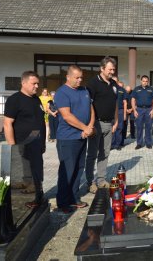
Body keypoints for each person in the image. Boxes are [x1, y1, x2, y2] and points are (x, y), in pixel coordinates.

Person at [54, 65, 95, 213]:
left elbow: (91, 110)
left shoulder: (84, 90)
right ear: (68, 77)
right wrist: (85, 128)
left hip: (83, 135)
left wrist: (89, 127)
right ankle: (63, 202)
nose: (79, 80)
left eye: (81, 77)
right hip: (68, 138)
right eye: (76, 78)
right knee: (68, 170)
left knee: (79, 168)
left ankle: (73, 197)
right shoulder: (62, 93)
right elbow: (66, 116)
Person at [3, 71, 46, 208]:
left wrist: (43, 142)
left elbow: (40, 121)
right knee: (27, 176)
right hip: (23, 144)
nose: (37, 86)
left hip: (36, 143)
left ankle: (38, 198)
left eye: (38, 83)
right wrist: (12, 147)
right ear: (24, 83)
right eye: (34, 83)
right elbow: (7, 123)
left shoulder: (36, 99)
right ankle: (28, 202)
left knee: (37, 174)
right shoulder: (14, 100)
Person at [85, 57, 118, 194]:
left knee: (105, 153)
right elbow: (88, 104)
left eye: (113, 69)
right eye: (110, 69)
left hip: (109, 124)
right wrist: (91, 124)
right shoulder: (92, 84)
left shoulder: (113, 84)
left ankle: (101, 179)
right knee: (92, 154)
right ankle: (90, 182)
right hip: (96, 124)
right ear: (102, 68)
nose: (112, 71)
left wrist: (116, 121)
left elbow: (115, 103)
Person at [131, 75, 153, 149]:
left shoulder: (151, 89)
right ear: (141, 81)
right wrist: (134, 110)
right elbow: (133, 100)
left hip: (149, 110)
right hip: (139, 110)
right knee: (139, 127)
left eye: (146, 81)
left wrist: (152, 110)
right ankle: (139, 143)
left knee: (148, 127)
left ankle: (148, 143)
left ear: (148, 82)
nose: (145, 82)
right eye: (143, 81)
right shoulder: (136, 89)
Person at [111, 78, 127, 150]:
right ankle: (111, 144)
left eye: (115, 80)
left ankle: (117, 144)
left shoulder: (122, 90)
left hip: (120, 111)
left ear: (117, 81)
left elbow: (125, 102)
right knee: (111, 127)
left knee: (119, 128)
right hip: (110, 111)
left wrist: (124, 114)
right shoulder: (108, 88)